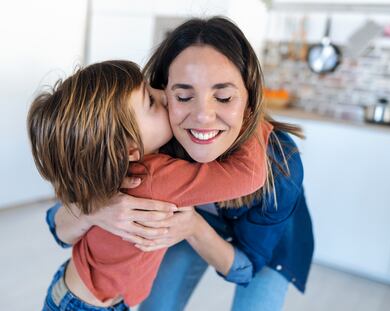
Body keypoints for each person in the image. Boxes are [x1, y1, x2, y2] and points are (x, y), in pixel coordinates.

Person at [46, 17, 314, 311]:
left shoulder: (280, 164)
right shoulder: (149, 138)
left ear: (250, 98)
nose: (202, 116)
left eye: (224, 97)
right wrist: (98, 210)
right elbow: (57, 222)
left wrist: (193, 227)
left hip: (262, 246)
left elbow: (245, 267)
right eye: (183, 95)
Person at [28, 60, 274, 310]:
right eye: (150, 102)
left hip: (77, 291)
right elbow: (248, 174)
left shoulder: (108, 170)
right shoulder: (154, 178)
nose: (164, 94)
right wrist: (247, 111)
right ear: (131, 149)